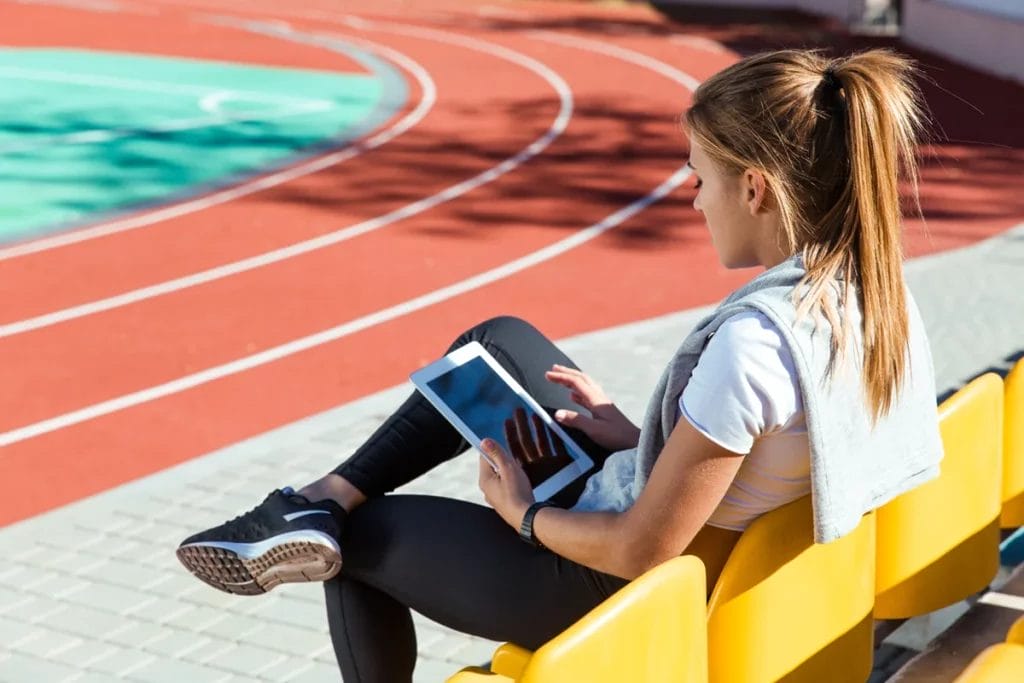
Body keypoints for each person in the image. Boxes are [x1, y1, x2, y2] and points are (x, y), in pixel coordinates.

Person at [176, 47, 945, 682]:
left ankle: (329, 516)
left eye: (699, 176)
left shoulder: (758, 344)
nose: (692, 199)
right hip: (698, 542)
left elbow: (643, 546)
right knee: (497, 340)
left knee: (359, 543)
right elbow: (758, 462)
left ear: (755, 188)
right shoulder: (875, 296)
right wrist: (635, 435)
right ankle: (319, 496)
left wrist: (528, 518)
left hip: (607, 579)